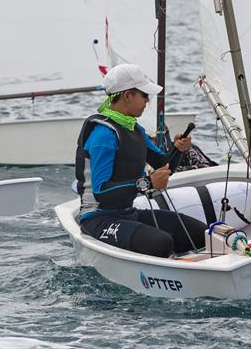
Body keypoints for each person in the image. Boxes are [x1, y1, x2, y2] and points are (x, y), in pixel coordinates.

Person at [75, 64, 207, 258]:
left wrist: (178, 150)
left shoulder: (135, 130)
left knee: (200, 233)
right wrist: (147, 183)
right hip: (98, 219)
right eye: (144, 95)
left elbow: (164, 164)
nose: (148, 101)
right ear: (128, 95)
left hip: (127, 214)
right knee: (161, 243)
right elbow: (101, 192)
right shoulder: (103, 135)